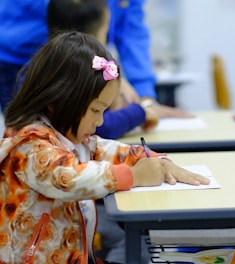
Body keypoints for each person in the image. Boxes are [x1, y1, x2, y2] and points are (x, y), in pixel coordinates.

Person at [0, 31, 210, 263]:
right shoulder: (29, 144)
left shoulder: (70, 137)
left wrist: (148, 157)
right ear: (56, 100)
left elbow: (104, 149)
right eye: (95, 110)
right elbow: (67, 177)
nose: (100, 122)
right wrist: (133, 176)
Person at [0, 0, 192, 119]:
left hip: (83, 56)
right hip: (24, 58)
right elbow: (74, 13)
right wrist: (108, 72)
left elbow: (131, 30)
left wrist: (145, 98)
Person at [46, 0, 160, 139]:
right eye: (105, 34)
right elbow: (101, 128)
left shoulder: (46, 67)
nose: (98, 120)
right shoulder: (75, 77)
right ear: (92, 38)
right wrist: (140, 112)